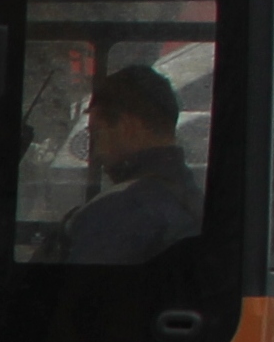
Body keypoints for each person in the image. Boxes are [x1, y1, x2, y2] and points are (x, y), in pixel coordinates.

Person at [61, 66, 203, 267]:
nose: (97, 152)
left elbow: (78, 294)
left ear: (126, 127)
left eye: (96, 134)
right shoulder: (193, 201)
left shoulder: (115, 212)